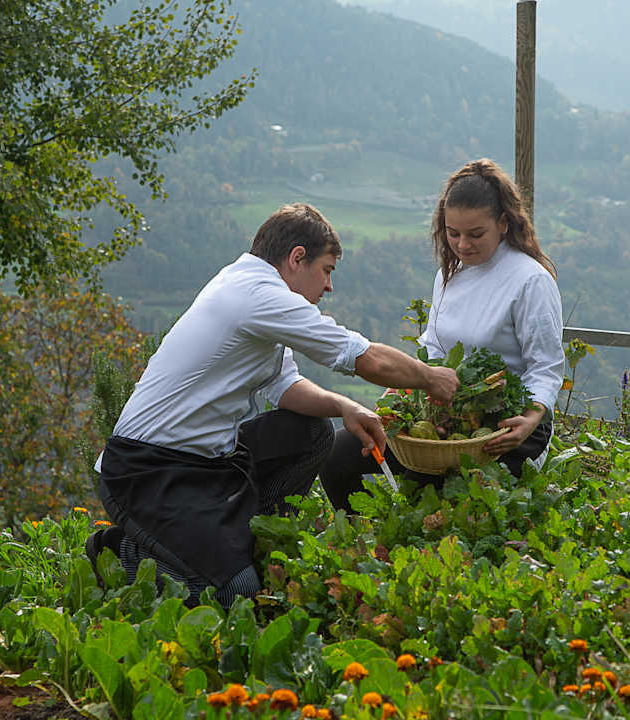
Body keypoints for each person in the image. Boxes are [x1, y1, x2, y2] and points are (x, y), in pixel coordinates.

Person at [86, 202, 459, 607]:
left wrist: (344, 407)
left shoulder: (250, 286)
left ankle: (247, 540)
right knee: (235, 593)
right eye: (327, 270)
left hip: (208, 464)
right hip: (147, 473)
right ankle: (117, 553)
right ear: (297, 257)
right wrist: (429, 377)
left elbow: (284, 387)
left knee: (313, 431)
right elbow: (360, 356)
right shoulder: (256, 295)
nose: (329, 286)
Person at [321, 158, 564, 511]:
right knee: (340, 454)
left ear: (503, 222)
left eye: (475, 234)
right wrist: (401, 387)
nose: (462, 245)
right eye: (453, 233)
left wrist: (531, 417)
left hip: (507, 428)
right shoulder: (450, 275)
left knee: (448, 506)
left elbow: (546, 367)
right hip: (446, 417)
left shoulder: (530, 280)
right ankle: (362, 546)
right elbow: (434, 345)